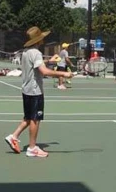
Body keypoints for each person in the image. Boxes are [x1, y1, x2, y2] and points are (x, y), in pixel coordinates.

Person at [4, 26, 72, 158]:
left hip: (26, 89)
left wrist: (49, 61)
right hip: (35, 91)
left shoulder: (26, 51)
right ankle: (32, 148)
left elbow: (36, 64)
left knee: (28, 117)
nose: (43, 40)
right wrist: (63, 73)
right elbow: (44, 71)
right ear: (38, 40)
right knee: (35, 119)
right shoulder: (36, 52)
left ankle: (13, 136)